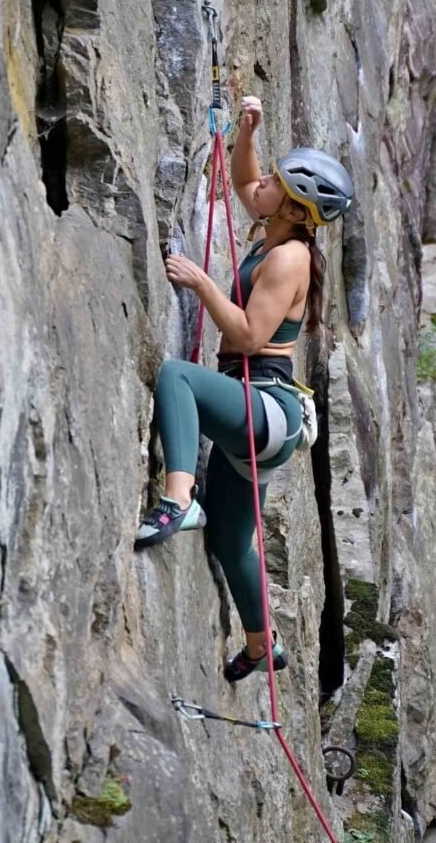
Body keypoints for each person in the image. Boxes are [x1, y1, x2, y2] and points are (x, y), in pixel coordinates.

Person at [136, 94, 354, 683]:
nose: (268, 185)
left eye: (281, 182)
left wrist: (201, 282)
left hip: (266, 402)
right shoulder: (277, 231)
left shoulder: (288, 259)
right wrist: (249, 131)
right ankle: (264, 645)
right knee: (232, 542)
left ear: (297, 206)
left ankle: (176, 500)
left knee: (177, 377)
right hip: (260, 414)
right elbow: (245, 182)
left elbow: (253, 334)